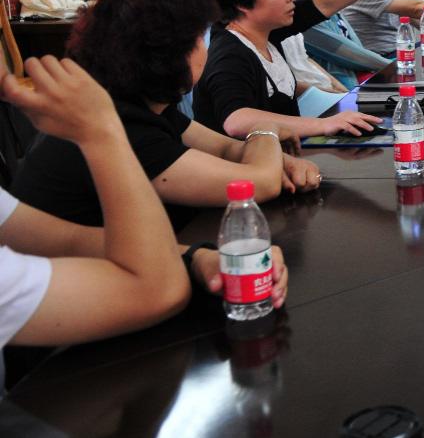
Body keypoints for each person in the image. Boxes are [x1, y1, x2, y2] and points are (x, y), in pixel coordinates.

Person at [0, 56, 288, 357]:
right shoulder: (125, 123)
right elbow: (159, 289)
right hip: (48, 370)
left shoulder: (148, 111)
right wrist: (102, 131)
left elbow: (68, 238)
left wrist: (197, 257)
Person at [9, 0, 320, 231]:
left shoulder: (142, 104)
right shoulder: (125, 125)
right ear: (168, 53)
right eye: (199, 38)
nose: (205, 48)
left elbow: (227, 148)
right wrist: (266, 129)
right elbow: (260, 183)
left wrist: (278, 159)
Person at [195, 0, 422, 139]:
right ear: (242, 3)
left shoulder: (266, 32)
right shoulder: (230, 52)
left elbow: (323, 3)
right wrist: (322, 125)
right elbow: (237, 121)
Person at [284, 0, 390, 91]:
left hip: (353, 83)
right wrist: (395, 65)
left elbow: (356, 48)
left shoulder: (330, 8)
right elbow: (350, 54)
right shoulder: (302, 19)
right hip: (345, 88)